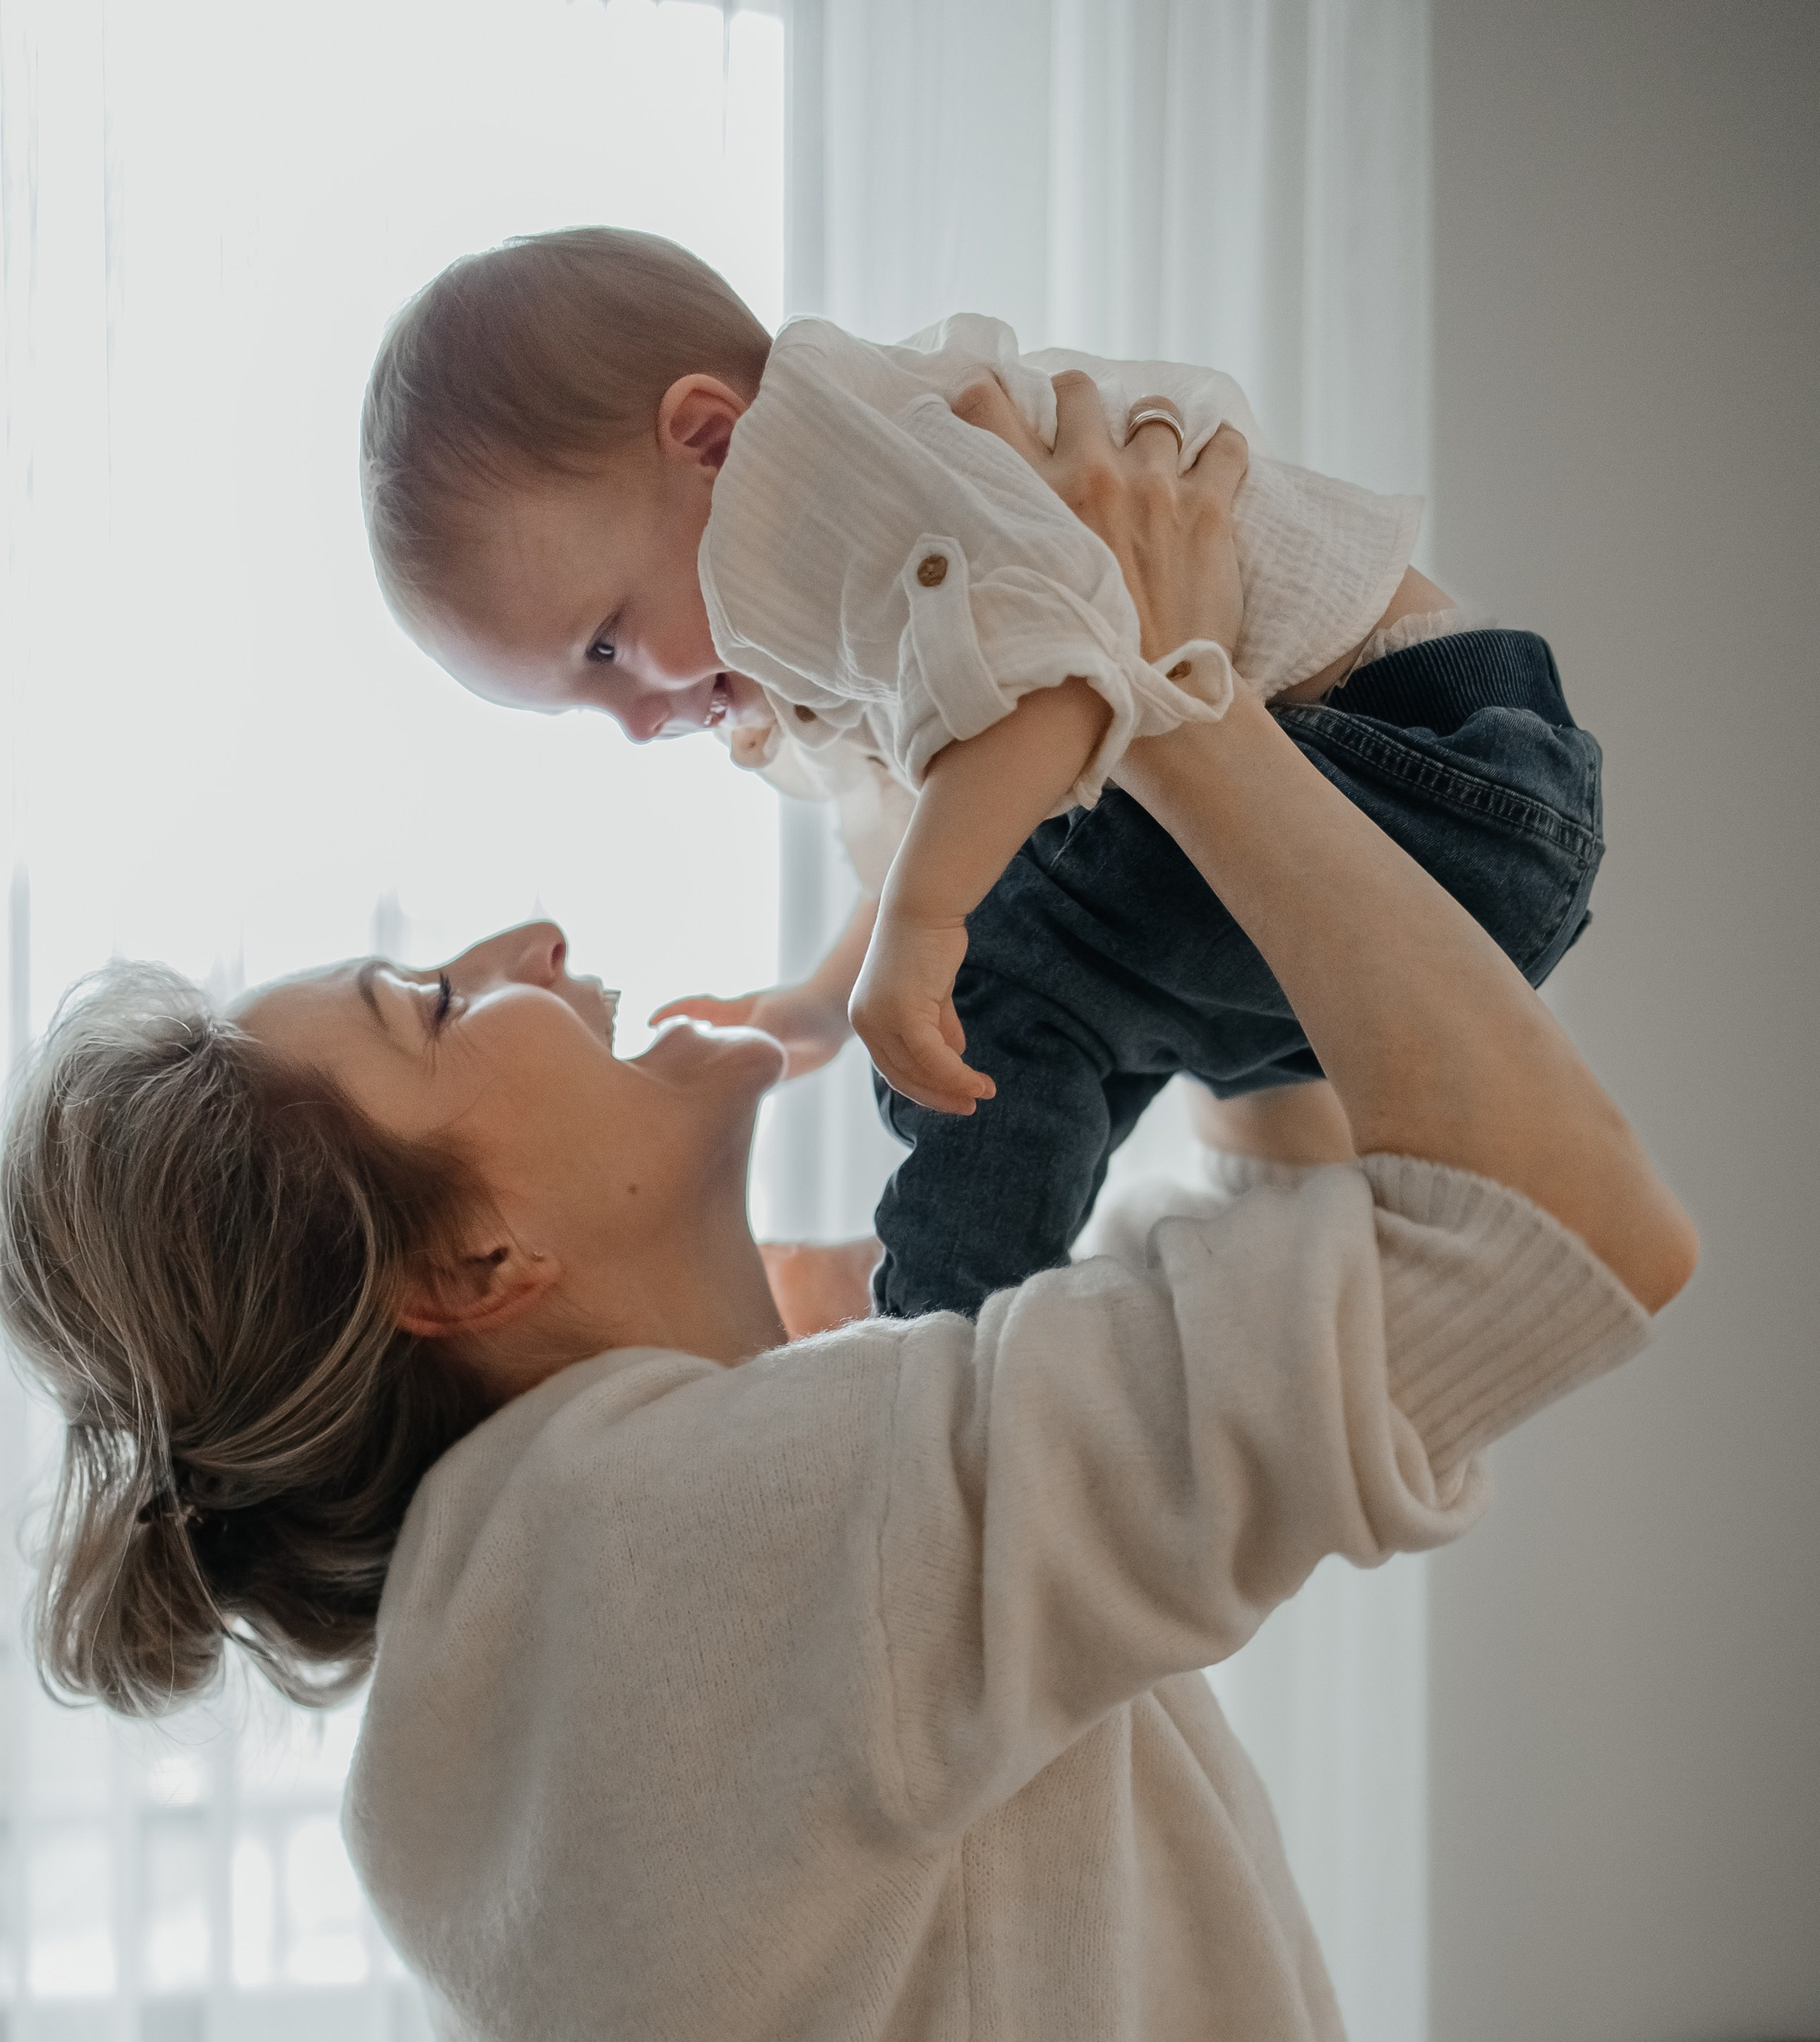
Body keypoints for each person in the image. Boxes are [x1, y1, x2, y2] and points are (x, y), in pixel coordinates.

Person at [0, 398, 1694, 2042]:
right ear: (472, 1270)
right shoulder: (709, 1551)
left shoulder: (614, 1571)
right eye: (450, 1005)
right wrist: (1188, 699)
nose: (544, 943)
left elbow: (1305, 1249)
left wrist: (1166, 808)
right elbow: (1561, 1232)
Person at [359, 226, 1605, 1317]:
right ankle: (949, 1304)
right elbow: (976, 795)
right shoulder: (812, 546)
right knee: (1024, 965)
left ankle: (935, 1330)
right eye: (588, 700)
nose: (637, 720)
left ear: (709, 438)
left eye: (607, 644)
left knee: (996, 973)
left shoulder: (839, 493)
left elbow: (1065, 678)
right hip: (1421, 834)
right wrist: (818, 994)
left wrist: (925, 922)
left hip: (1436, 773)